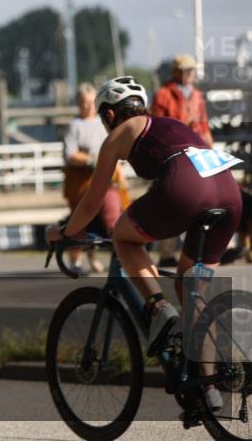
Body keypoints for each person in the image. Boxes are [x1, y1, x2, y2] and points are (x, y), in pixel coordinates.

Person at [47, 76, 242, 410]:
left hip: (187, 188)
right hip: (228, 194)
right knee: (191, 286)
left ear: (109, 116)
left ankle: (156, 308)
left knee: (121, 234)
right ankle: (207, 385)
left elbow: (92, 203)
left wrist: (65, 232)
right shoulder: (170, 123)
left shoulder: (120, 134)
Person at [152, 53, 214, 267]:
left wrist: (210, 148)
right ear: (176, 71)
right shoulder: (163, 95)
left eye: (192, 70)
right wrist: (184, 126)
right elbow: (161, 126)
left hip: (198, 153)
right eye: (186, 70)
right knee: (169, 202)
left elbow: (204, 124)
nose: (190, 74)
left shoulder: (197, 95)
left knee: (199, 203)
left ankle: (196, 251)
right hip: (175, 154)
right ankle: (166, 252)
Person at [61, 83, 128, 274]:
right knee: (79, 221)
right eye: (83, 102)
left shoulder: (103, 123)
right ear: (78, 104)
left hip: (107, 179)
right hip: (81, 182)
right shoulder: (74, 126)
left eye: (91, 102)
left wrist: (119, 172)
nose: (87, 106)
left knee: (112, 218)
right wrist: (92, 159)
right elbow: (70, 155)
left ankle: (122, 257)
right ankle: (76, 261)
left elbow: (115, 150)